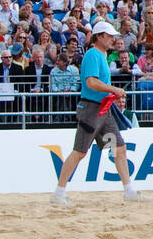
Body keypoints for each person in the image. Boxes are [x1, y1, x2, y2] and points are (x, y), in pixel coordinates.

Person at [51, 21, 144, 205]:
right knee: (79, 152)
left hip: (102, 110)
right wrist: (113, 89)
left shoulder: (101, 54)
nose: (113, 39)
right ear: (99, 36)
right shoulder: (93, 54)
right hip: (92, 110)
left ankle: (129, 190)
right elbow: (91, 83)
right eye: (109, 36)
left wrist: (112, 91)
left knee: (119, 148)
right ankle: (59, 193)